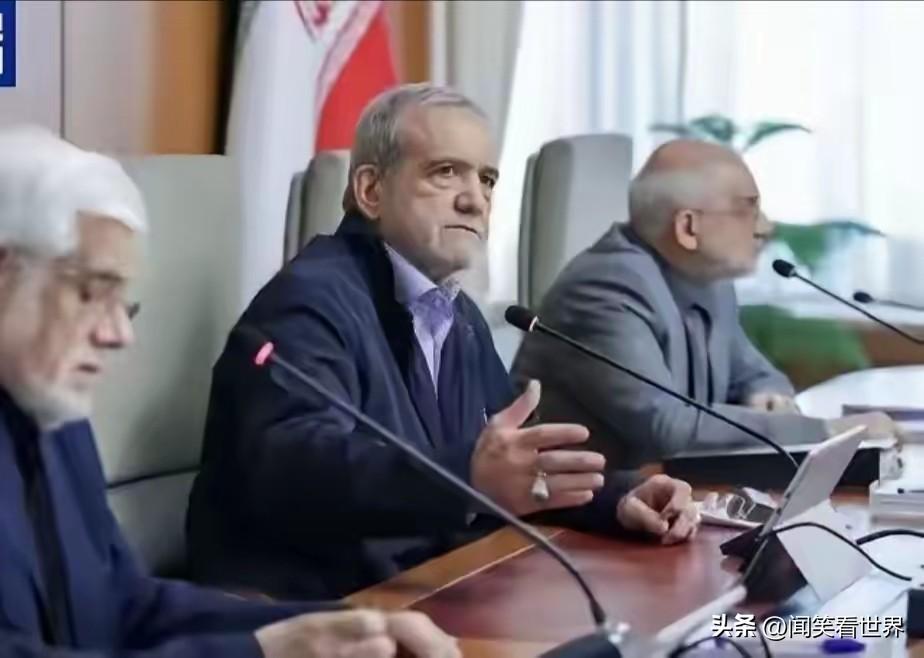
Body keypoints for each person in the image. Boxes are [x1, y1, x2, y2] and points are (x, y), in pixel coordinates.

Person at [187, 84, 700, 601]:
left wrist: (620, 496)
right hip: (319, 608)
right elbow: (297, 469)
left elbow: (517, 461)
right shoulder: (307, 301)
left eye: (487, 179)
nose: (475, 200)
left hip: (436, 589)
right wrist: (468, 476)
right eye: (445, 172)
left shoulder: (458, 314)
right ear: (371, 191)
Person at [0, 125, 459, 658]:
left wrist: (337, 625)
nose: (119, 334)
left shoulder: (54, 417)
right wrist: (261, 653)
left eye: (124, 305)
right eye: (90, 293)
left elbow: (125, 604)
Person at [512, 139, 900, 467]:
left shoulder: (707, 279)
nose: (765, 227)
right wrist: (826, 432)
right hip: (567, 513)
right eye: (748, 209)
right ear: (688, 227)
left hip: (665, 496)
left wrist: (766, 395)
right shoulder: (606, 287)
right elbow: (666, 427)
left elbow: (754, 374)